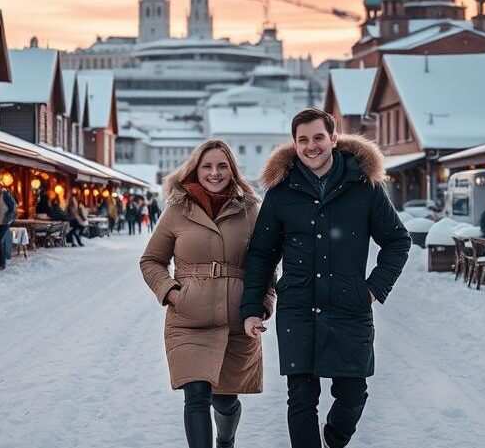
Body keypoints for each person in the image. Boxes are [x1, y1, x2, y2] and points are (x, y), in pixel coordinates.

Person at [240, 108, 411, 448]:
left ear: (333, 138)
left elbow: (397, 241)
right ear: (295, 144)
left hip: (350, 306)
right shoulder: (281, 191)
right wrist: (251, 307)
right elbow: (261, 253)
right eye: (302, 140)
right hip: (298, 307)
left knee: (353, 394)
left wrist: (374, 288)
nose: (311, 146)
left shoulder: (364, 186)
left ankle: (333, 437)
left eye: (318, 137)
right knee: (301, 398)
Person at [140, 139, 272, 448]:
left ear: (233, 170)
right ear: (196, 170)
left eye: (222, 166)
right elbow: (151, 261)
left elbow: (265, 265)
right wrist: (172, 292)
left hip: (237, 322)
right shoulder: (176, 209)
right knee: (196, 395)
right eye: (207, 166)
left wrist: (261, 307)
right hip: (188, 319)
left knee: (225, 402)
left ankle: (226, 441)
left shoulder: (251, 209)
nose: (215, 173)